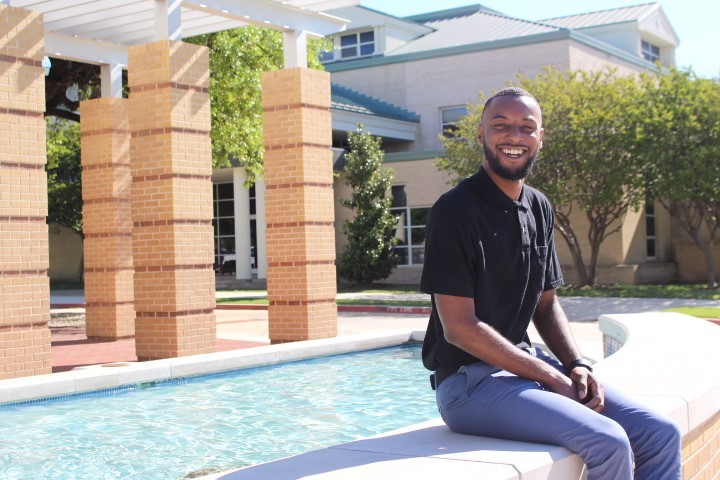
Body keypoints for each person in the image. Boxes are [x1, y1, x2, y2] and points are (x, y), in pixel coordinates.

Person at [420, 87, 682, 479]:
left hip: (526, 370)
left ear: (540, 138)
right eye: (501, 125)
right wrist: (550, 376)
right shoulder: (454, 211)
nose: (514, 136)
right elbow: (459, 328)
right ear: (480, 134)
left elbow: (546, 304)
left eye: (527, 127)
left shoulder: (539, 206)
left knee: (660, 433)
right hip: (468, 384)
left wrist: (575, 364)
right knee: (608, 440)